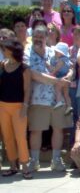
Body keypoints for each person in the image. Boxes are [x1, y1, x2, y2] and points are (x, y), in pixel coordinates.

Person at [24, 26, 73, 173]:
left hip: (57, 100)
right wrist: (57, 82)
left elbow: (69, 66)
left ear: (47, 37)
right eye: (36, 36)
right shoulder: (27, 53)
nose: (38, 39)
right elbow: (32, 74)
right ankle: (34, 161)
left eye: (41, 36)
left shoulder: (54, 51)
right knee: (36, 130)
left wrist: (68, 76)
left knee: (58, 129)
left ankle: (56, 160)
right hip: (37, 99)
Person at [0, 39, 32, 179]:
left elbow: (27, 90)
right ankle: (13, 166)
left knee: (20, 137)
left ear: (12, 50)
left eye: (5, 48)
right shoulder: (2, 65)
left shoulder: (24, 68)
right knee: (7, 137)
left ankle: (25, 166)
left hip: (18, 106)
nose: (2, 50)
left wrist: (25, 106)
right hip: (2, 105)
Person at [49, 42, 73, 116]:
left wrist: (50, 75)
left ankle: (59, 101)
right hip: (67, 78)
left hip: (61, 77)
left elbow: (55, 70)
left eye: (57, 51)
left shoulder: (61, 60)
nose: (55, 52)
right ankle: (69, 106)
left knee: (57, 88)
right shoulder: (66, 60)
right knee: (66, 94)